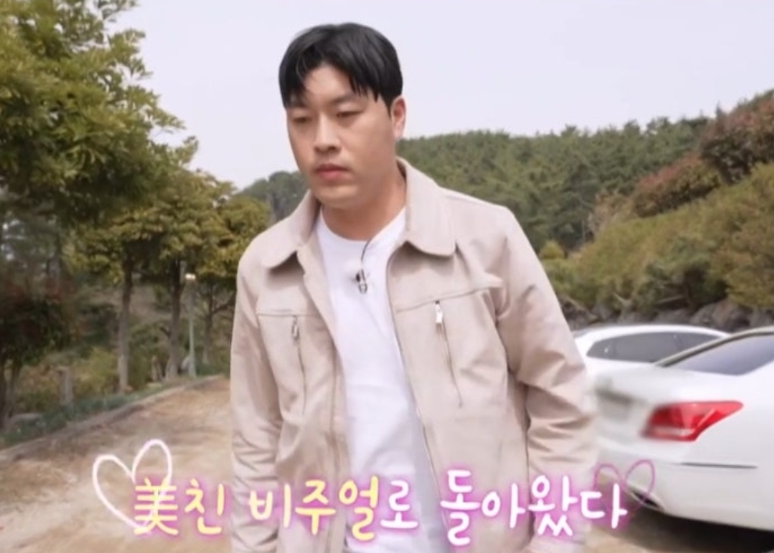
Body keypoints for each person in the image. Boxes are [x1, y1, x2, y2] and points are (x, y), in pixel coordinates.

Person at [229, 22, 597, 553]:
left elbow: (560, 398)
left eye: (346, 114)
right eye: (302, 120)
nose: (323, 140)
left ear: (396, 116)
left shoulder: (484, 239)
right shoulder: (266, 268)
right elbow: (256, 440)